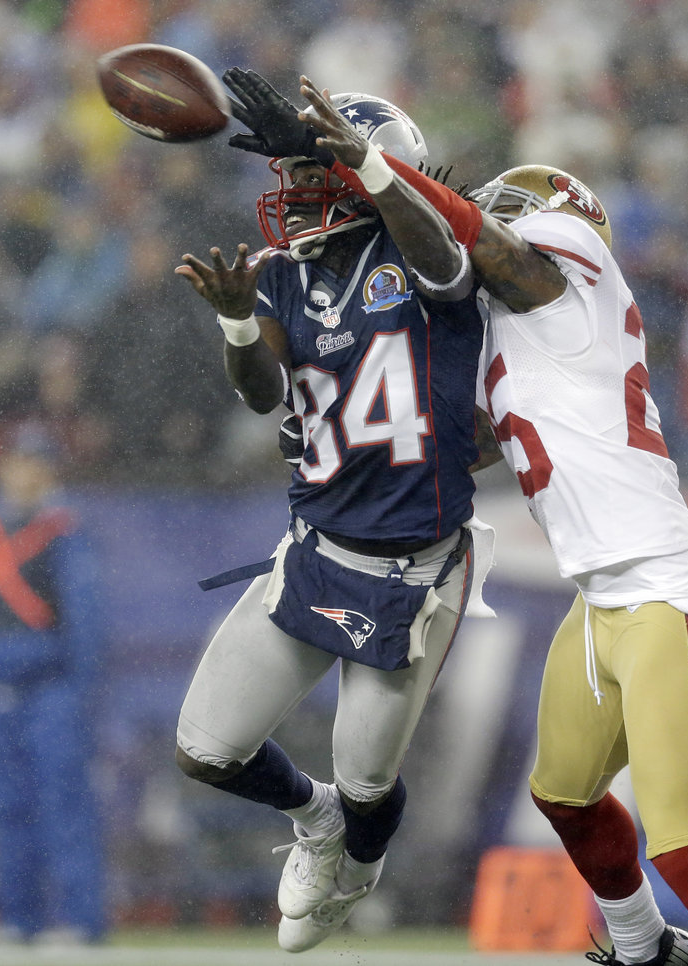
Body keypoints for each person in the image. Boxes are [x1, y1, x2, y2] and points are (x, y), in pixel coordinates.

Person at [234, 74, 688, 966]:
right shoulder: (515, 347)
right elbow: (446, 441)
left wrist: (371, 164)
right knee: (566, 796)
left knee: (686, 849)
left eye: (507, 211)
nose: (491, 217)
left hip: (669, 590)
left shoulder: (568, 279)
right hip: (602, 599)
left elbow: (482, 242)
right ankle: (644, 948)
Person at [173, 75, 492, 954]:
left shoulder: (420, 254)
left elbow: (445, 253)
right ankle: (313, 820)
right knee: (205, 752)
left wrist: (361, 159)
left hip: (413, 570)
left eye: (313, 180)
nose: (295, 197)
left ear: (365, 177)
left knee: (369, 790)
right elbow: (262, 392)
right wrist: (239, 325)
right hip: (315, 550)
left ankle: (357, 858)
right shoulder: (282, 275)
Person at [0, 421, 106, 945]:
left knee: (64, 807)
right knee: (7, 809)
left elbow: (84, 626)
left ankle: (80, 923)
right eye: (20, 460)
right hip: (4, 695)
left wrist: (83, 696)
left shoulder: (64, 532)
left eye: (38, 462)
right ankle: (16, 918)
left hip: (52, 691)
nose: (27, 472)